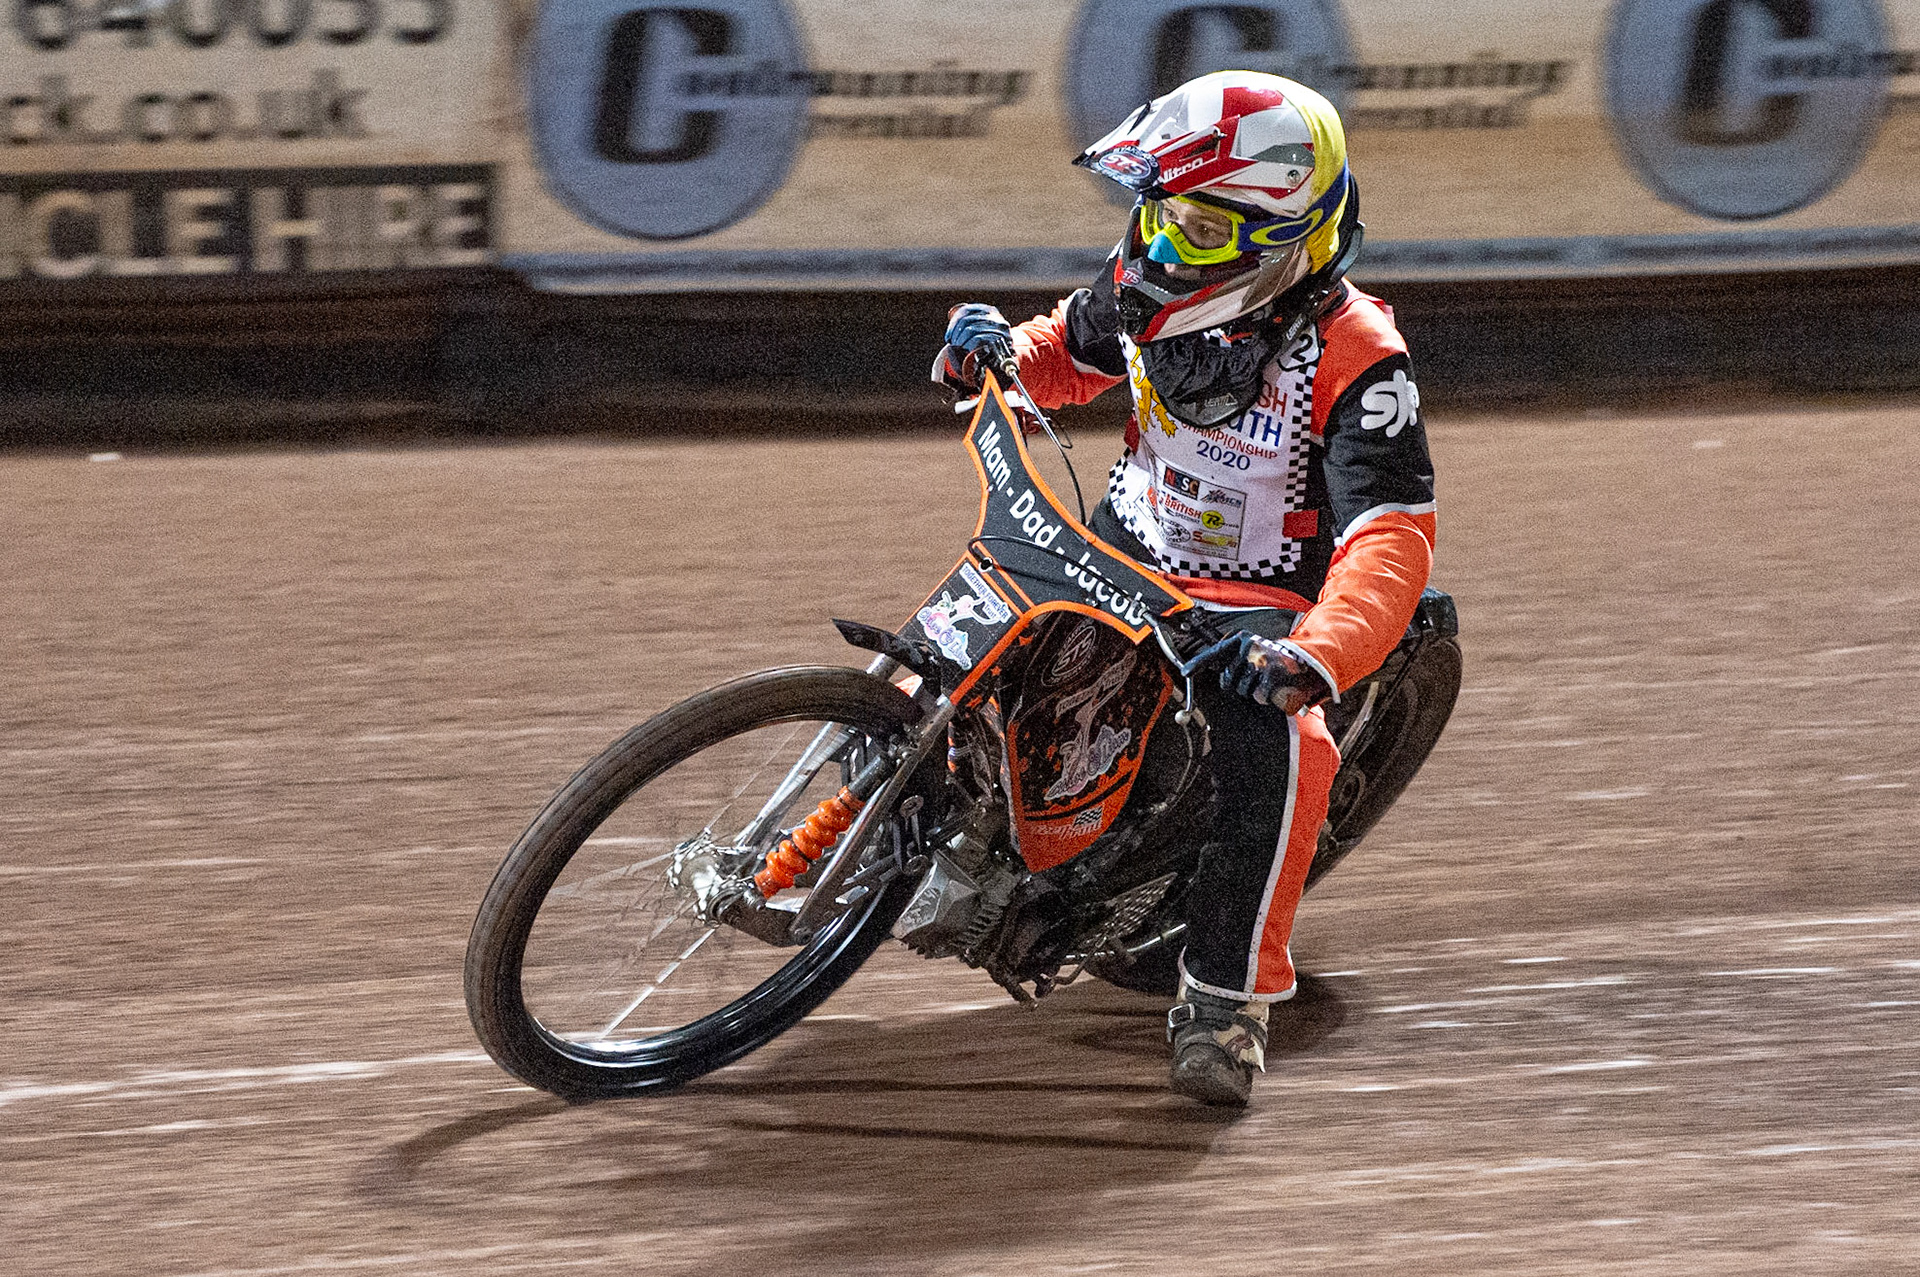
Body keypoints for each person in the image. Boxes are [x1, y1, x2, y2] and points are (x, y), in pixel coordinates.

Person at [934, 70, 1437, 1106]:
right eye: (1158, 216)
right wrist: (995, 354)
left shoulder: (1361, 358)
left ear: (1285, 236)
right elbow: (1068, 353)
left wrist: (1316, 655)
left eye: (1201, 229)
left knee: (1289, 745)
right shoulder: (1154, 270)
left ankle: (1225, 999)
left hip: (1251, 607)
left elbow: (1391, 537)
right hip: (1120, 546)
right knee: (957, 647)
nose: (1164, 249)